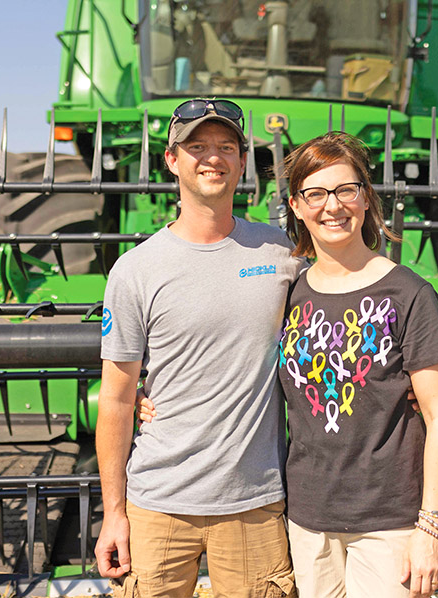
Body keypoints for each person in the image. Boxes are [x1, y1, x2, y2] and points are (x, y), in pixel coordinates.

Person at [95, 98, 300, 598]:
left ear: (243, 160)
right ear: (172, 160)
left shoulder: (282, 254)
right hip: (158, 505)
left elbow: (337, 320)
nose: (213, 158)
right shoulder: (135, 271)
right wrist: (114, 513)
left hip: (254, 504)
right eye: (197, 147)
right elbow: (118, 399)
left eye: (226, 146)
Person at [278, 132, 438, 598]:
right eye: (315, 193)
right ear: (296, 207)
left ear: (366, 197)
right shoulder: (287, 294)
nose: (332, 206)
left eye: (345, 190)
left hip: (388, 523)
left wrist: (431, 528)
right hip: (308, 518)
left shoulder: (410, 294)